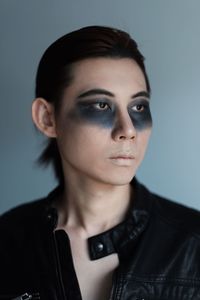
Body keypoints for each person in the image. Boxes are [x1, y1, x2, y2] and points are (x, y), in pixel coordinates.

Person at [0, 25, 200, 300]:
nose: (128, 129)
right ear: (47, 118)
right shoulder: (8, 242)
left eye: (139, 107)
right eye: (101, 105)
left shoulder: (193, 242)